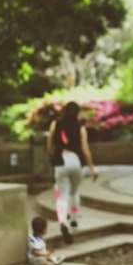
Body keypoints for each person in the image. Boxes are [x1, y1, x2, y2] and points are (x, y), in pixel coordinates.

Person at [47, 101, 100, 244]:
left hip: (60, 162)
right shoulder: (80, 128)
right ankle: (75, 219)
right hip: (76, 162)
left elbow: (50, 145)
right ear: (77, 113)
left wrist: (55, 156)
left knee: (62, 195)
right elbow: (85, 150)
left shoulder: (55, 124)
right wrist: (92, 167)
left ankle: (63, 222)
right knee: (74, 191)